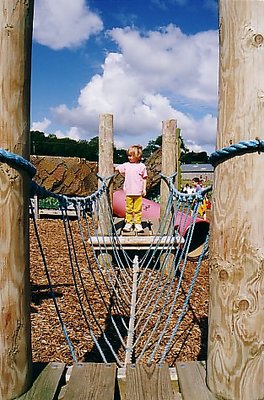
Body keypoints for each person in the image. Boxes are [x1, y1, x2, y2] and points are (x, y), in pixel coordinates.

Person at [115, 144, 148, 233]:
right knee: (129, 209)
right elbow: (117, 169)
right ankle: (128, 223)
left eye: (131, 155)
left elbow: (144, 178)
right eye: (128, 155)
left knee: (137, 209)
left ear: (138, 156)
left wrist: (144, 189)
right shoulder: (126, 165)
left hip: (138, 192)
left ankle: (137, 223)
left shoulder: (142, 166)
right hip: (129, 192)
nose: (129, 157)